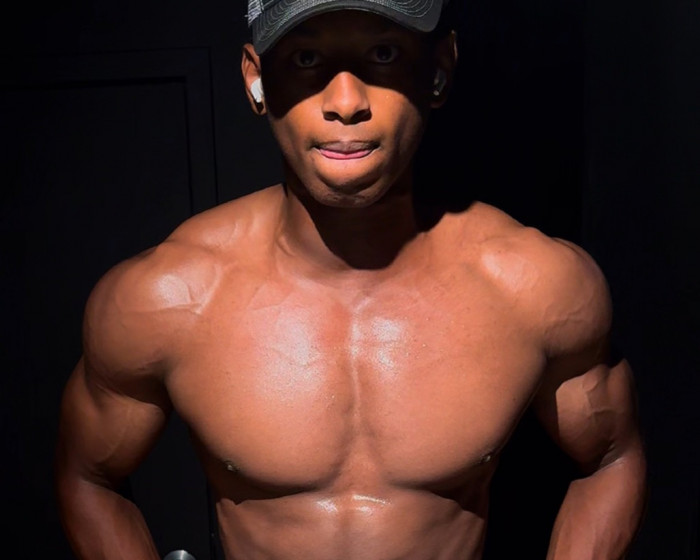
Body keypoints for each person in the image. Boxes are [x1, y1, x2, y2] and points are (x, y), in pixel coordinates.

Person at [55, 0, 647, 558]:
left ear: (438, 70)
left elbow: (611, 458)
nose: (345, 102)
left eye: (384, 54)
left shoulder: (534, 286)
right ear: (256, 80)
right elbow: (88, 476)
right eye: (306, 58)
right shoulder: (170, 296)